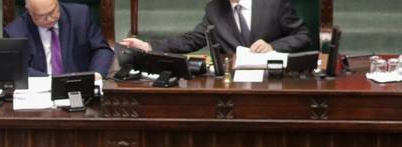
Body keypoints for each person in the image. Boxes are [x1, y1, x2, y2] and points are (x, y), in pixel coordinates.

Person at [120, 0, 311, 56]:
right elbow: (192, 40)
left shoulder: (273, 3)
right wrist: (149, 46)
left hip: (271, 82)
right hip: (233, 86)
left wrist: (273, 46)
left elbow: (303, 36)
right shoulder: (215, 9)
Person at [4, 0, 114, 77]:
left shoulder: (80, 16)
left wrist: (96, 74)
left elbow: (101, 49)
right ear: (29, 12)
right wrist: (52, 81)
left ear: (57, 3)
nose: (49, 18)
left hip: (79, 87)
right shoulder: (15, 31)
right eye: (41, 15)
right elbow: (17, 68)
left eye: (52, 11)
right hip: (39, 91)